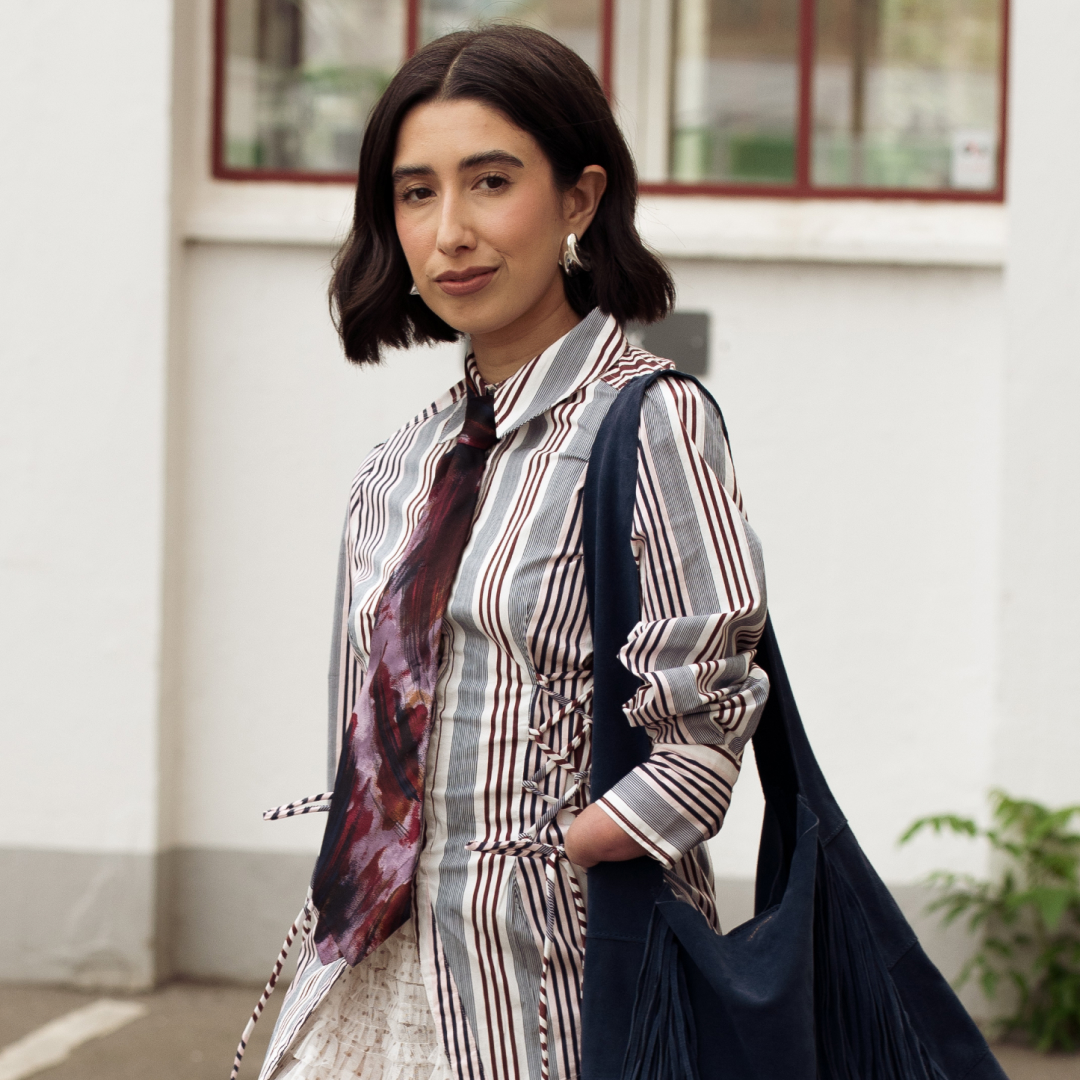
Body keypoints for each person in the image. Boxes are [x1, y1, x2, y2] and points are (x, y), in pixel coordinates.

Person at [252, 23, 768, 1080]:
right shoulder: (404, 464)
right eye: (416, 193)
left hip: (551, 989)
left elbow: (702, 737)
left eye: (491, 182)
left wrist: (550, 851)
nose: (450, 233)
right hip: (370, 967)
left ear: (578, 200)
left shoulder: (646, 422)